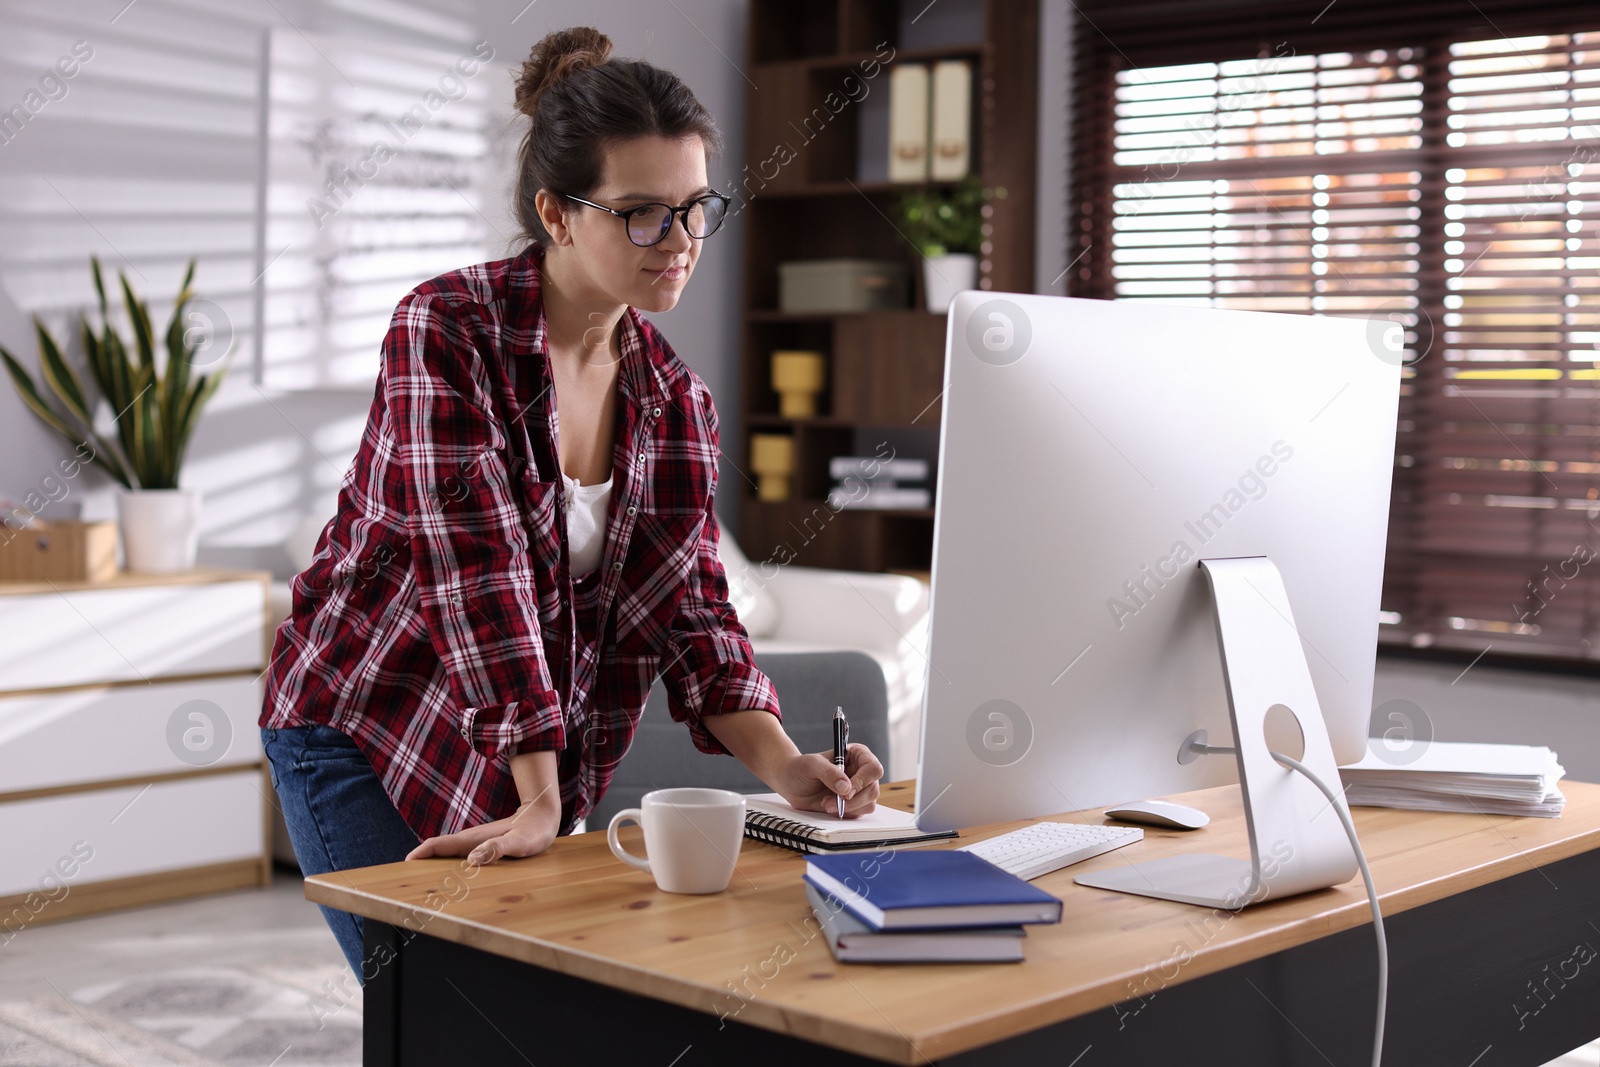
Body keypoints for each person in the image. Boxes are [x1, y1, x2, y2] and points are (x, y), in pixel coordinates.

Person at [258, 25, 885, 979]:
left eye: (693, 208)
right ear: (555, 213)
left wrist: (789, 768)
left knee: (523, 1015)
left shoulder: (676, 401)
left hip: (525, 756)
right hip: (364, 717)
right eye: (640, 213)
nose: (677, 244)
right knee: (428, 1012)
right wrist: (543, 795)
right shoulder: (447, 332)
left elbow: (696, 612)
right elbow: (481, 574)